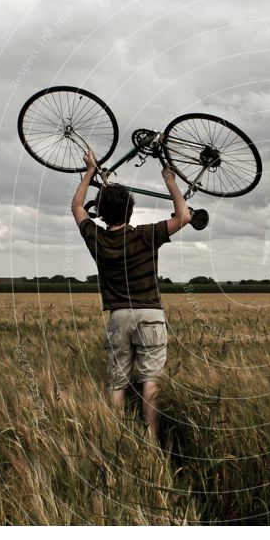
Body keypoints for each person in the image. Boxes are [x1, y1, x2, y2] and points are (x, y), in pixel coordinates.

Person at [71, 150, 191, 441]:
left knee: (117, 383)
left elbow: (76, 206)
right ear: (130, 212)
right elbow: (185, 216)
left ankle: (117, 437)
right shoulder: (146, 235)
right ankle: (151, 439)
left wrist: (89, 170)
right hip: (150, 313)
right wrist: (171, 182)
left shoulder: (95, 237)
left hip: (118, 316)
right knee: (150, 380)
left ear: (100, 213)